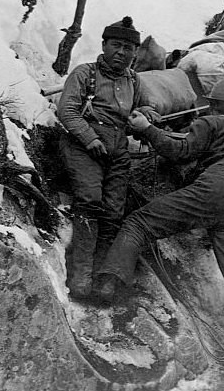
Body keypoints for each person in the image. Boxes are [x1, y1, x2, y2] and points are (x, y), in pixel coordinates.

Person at [94, 79, 224, 380]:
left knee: (138, 222)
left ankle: (108, 282)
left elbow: (180, 150)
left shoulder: (211, 121)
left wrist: (146, 128)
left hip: (217, 187)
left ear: (212, 103)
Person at [57, 16, 155, 300]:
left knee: (114, 212)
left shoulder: (134, 80)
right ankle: (80, 278)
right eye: (116, 45)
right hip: (83, 145)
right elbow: (67, 112)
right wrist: (90, 138)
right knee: (89, 202)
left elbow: (147, 106)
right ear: (103, 45)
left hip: (118, 148)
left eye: (128, 48)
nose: (121, 53)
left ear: (135, 53)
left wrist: (146, 115)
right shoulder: (84, 74)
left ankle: (103, 279)